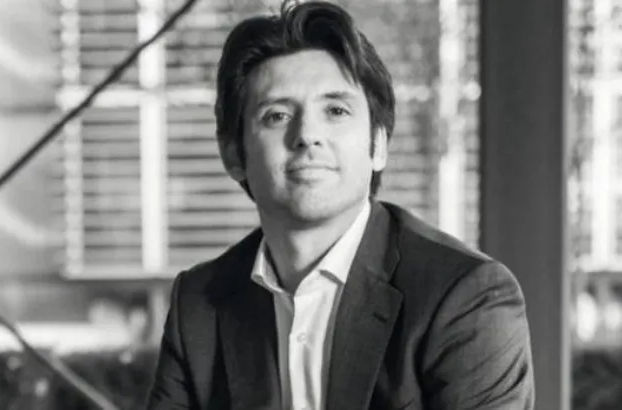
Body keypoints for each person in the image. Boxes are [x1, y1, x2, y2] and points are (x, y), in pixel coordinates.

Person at [146, 1, 534, 409]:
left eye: (335, 110)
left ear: (378, 145)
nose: (307, 135)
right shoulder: (200, 303)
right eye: (277, 115)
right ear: (232, 154)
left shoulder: (465, 297)